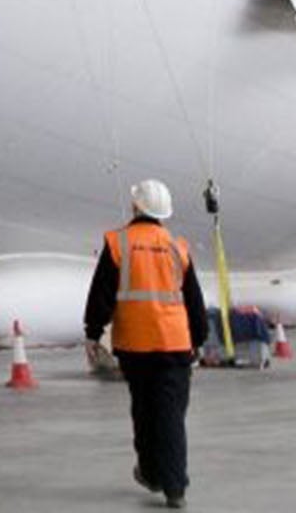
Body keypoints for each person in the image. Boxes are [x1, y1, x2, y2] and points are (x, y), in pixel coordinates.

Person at [84, 178, 208, 508]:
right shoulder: (176, 246)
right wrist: (200, 338)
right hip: (175, 345)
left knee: (143, 410)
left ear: (136, 207)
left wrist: (93, 333)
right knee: (171, 415)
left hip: (134, 346)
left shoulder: (117, 243)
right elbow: (193, 299)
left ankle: (152, 473)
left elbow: (101, 293)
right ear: (164, 213)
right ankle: (175, 488)